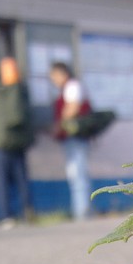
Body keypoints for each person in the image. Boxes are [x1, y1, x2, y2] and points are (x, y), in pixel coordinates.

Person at [0, 57, 34, 227]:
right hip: (18, 142)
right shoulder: (19, 90)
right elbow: (18, 117)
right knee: (22, 179)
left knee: (3, 181)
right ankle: (28, 213)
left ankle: (6, 216)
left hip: (1, 142)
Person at [49, 61, 92, 220]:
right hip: (72, 138)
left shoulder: (72, 86)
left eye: (54, 76)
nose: (53, 80)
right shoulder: (68, 88)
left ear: (62, 73)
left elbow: (72, 107)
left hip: (76, 137)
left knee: (78, 175)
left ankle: (82, 213)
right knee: (76, 175)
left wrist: (58, 126)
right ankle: (81, 211)